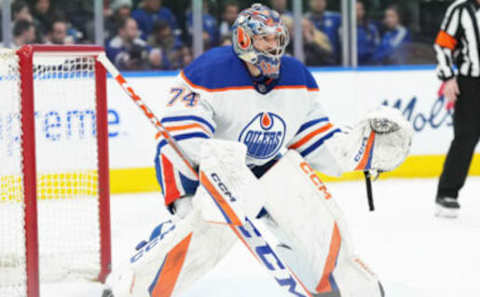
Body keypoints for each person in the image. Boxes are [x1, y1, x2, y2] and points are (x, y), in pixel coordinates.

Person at [102, 4, 412, 297]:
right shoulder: (208, 71)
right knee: (204, 232)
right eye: (265, 40)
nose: (274, 48)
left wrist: (359, 149)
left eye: (278, 40)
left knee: (308, 204)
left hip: (260, 167)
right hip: (193, 167)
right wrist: (221, 166)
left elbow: (316, 140)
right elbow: (182, 135)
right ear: (243, 40)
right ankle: (132, 286)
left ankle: (340, 284)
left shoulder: (297, 78)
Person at [433, 0, 480, 218]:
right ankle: (447, 193)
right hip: (471, 83)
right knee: (465, 136)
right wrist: (448, 77)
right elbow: (443, 44)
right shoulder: (460, 9)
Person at [356, 1, 379, 65]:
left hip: (369, 67)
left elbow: (377, 48)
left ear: (363, 11)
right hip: (351, 65)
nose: (358, 12)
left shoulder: (371, 28)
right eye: (356, 9)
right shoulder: (346, 29)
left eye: (360, 9)